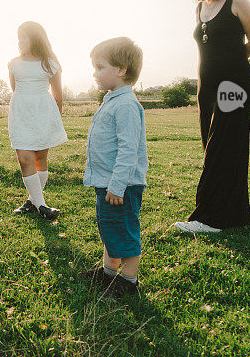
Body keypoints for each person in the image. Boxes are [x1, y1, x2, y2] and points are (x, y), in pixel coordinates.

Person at [174, 0, 250, 233]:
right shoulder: (199, 6)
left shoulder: (237, 0)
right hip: (206, 88)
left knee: (223, 149)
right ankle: (233, 215)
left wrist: (231, 68)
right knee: (211, 147)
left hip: (233, 86)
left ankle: (210, 219)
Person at [79, 37, 148, 297]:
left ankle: (129, 281)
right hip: (108, 183)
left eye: (100, 67)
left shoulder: (127, 105)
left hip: (121, 185)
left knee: (125, 232)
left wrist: (117, 186)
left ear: (121, 70)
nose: (95, 73)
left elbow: (128, 149)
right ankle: (108, 273)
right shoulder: (112, 100)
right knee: (110, 228)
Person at [8, 22, 67, 220]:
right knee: (24, 158)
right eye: (19, 37)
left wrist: (54, 120)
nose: (20, 41)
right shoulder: (14, 63)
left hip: (44, 113)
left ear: (36, 38)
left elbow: (58, 95)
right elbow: (16, 89)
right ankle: (42, 206)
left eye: (25, 37)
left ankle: (32, 202)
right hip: (22, 113)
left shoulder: (50, 63)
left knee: (40, 158)